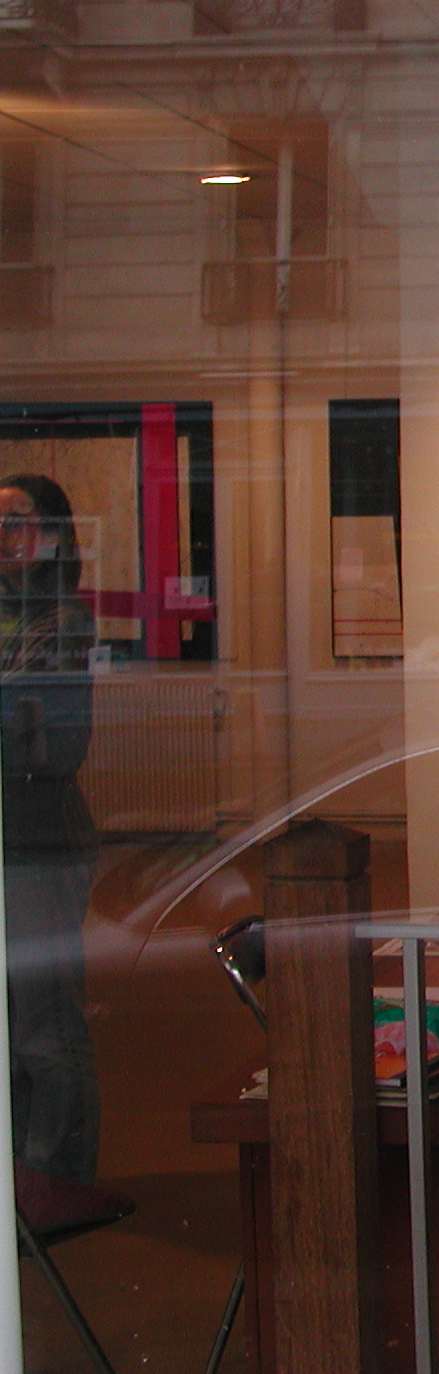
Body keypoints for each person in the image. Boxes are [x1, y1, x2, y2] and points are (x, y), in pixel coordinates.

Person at [0, 474, 99, 1183]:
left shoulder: (62, 619)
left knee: (44, 1027)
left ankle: (57, 1179)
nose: (5, 534)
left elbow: (47, 744)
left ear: (54, 532)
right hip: (10, 833)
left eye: (19, 518)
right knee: (10, 1029)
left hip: (37, 841)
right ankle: (19, 1181)